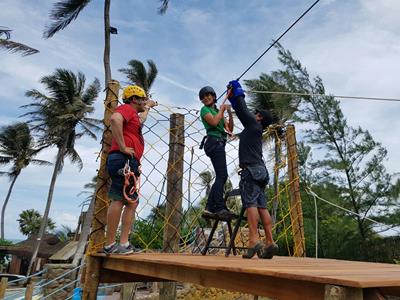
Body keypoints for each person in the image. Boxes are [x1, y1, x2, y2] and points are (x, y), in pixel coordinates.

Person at [226, 80, 278, 259]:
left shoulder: (253, 125)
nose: (253, 114)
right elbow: (239, 106)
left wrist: (237, 90)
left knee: (250, 204)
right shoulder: (257, 130)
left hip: (251, 170)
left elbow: (241, 109)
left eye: (256, 113)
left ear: (260, 117)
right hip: (262, 171)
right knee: (262, 206)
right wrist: (233, 95)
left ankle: (254, 239)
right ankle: (270, 240)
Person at [103, 85, 157, 255]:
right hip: (123, 158)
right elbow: (115, 119)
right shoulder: (125, 108)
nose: (144, 102)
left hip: (130, 161)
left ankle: (124, 243)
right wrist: (123, 146)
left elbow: (140, 121)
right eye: (142, 99)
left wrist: (147, 107)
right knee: (119, 199)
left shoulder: (133, 114)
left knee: (132, 201)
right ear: (134, 99)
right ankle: (110, 244)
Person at [199, 86, 236, 219]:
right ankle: (219, 207)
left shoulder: (216, 111)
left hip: (219, 142)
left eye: (208, 95)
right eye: (203, 97)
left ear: (214, 97)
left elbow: (230, 129)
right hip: (213, 142)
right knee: (222, 175)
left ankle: (210, 207)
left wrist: (229, 113)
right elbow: (214, 122)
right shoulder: (205, 110)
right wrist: (221, 110)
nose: (206, 98)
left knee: (221, 175)